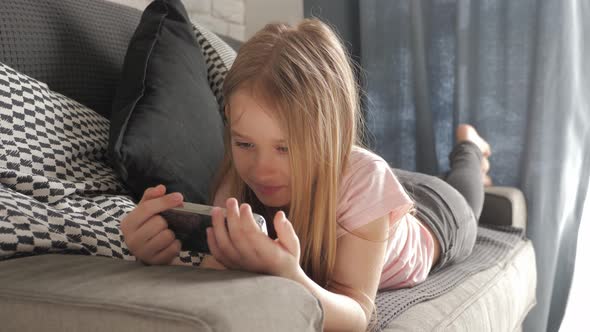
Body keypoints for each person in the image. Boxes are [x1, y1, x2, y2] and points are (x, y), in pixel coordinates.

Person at [120, 19, 493, 332]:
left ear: (334, 133)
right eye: (245, 143)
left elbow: (356, 314)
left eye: (286, 147)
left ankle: (472, 147)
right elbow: (215, 278)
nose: (262, 170)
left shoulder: (365, 182)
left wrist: (289, 274)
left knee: (467, 193)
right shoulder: (235, 180)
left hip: (435, 219)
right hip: (361, 185)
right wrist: (160, 259)